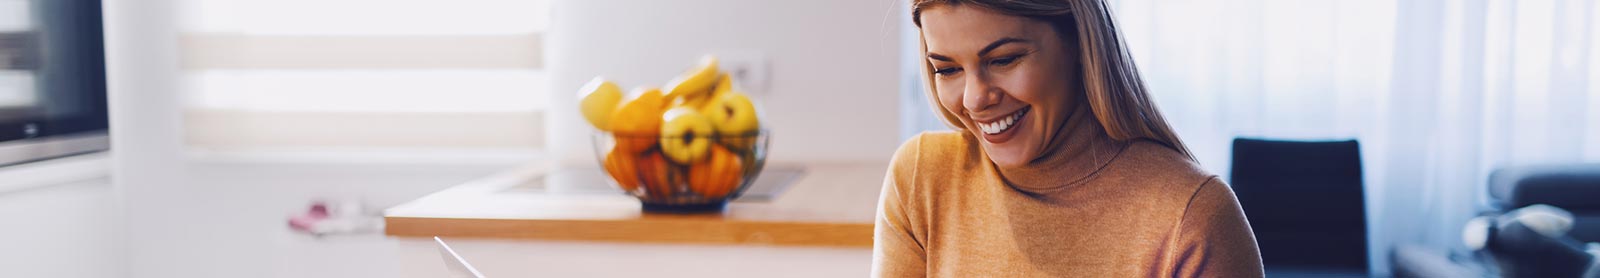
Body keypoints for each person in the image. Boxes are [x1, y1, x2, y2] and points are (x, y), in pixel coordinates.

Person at [872, 0, 1263, 276]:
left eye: (1004, 60)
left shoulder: (1191, 217)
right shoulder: (922, 177)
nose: (975, 99)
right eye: (947, 69)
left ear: (1079, 40)